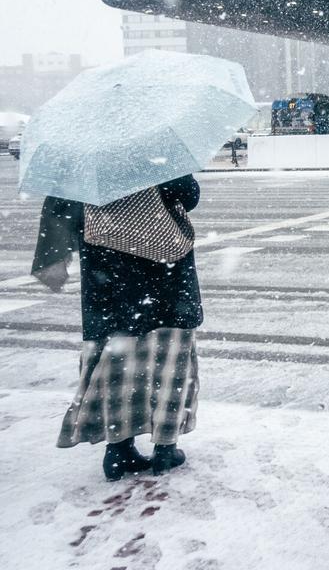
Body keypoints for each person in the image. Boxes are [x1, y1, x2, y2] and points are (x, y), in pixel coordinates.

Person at [34, 176, 203, 481]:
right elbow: (188, 195)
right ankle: (165, 447)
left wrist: (52, 257)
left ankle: (118, 449)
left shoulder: (81, 157)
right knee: (168, 358)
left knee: (114, 362)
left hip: (107, 276)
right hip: (163, 275)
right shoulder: (155, 146)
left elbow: (61, 207)